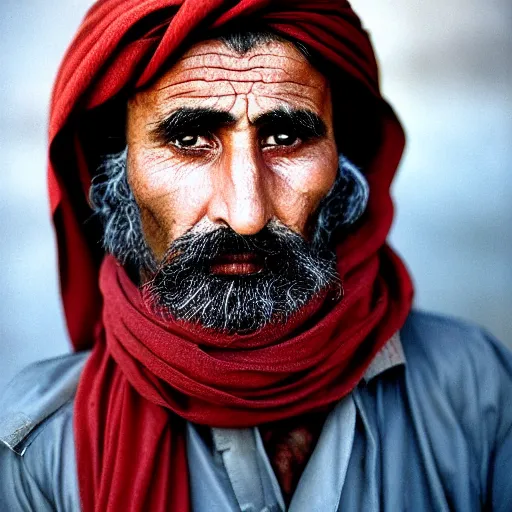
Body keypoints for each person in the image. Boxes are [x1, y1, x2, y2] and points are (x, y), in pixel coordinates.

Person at [0, 0, 511, 510]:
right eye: (189, 138)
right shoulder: (36, 447)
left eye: (286, 138)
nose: (247, 214)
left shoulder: (477, 390)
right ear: (115, 171)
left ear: (343, 161)